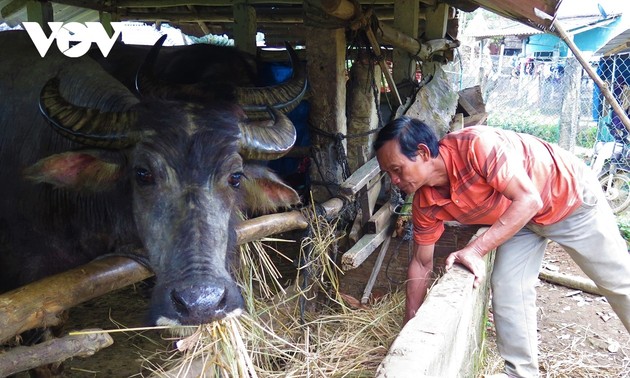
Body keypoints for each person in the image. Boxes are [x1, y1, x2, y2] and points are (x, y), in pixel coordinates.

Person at [373, 116, 630, 378]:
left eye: (397, 169)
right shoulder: (425, 202)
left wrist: (473, 250)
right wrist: (411, 325)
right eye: (389, 174)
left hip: (566, 197)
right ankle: (521, 374)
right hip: (518, 220)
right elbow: (421, 262)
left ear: (423, 153)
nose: (394, 180)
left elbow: (529, 199)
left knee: (619, 281)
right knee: (509, 287)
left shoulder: (476, 146)